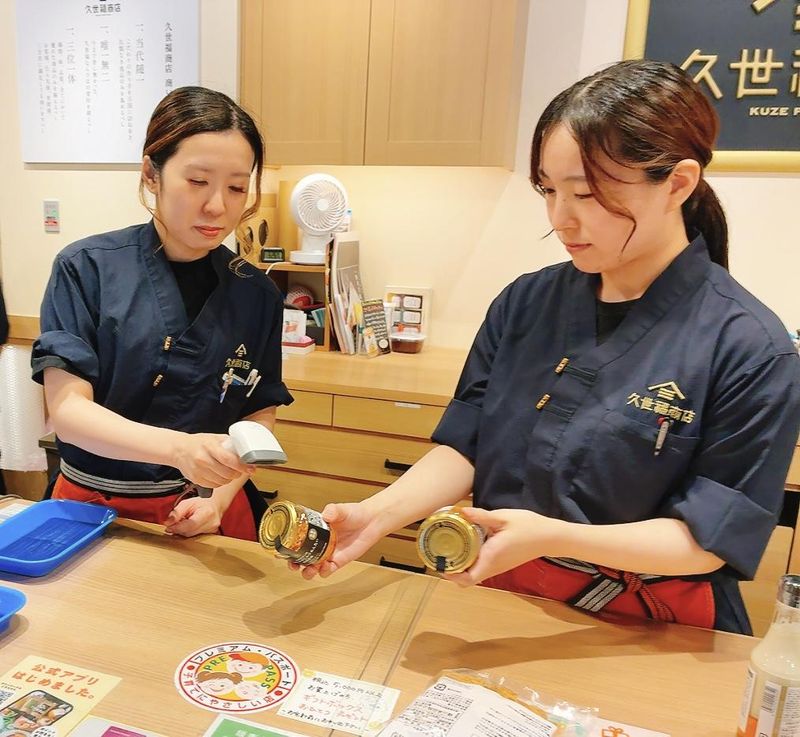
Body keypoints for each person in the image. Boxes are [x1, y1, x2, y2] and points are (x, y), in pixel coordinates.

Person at [293, 60, 800, 634]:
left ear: (677, 184)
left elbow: (707, 539)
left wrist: (553, 537)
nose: (561, 219)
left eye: (586, 193)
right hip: (502, 596)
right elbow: (468, 447)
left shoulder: (749, 348)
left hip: (648, 627)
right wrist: (375, 514)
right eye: (549, 191)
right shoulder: (526, 303)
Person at [31, 86, 292, 540]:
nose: (218, 206)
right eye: (197, 182)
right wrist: (179, 449)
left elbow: (257, 410)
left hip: (203, 511)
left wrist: (218, 499)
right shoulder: (85, 268)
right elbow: (68, 411)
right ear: (152, 174)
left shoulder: (257, 293)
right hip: (90, 506)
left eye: (236, 187)